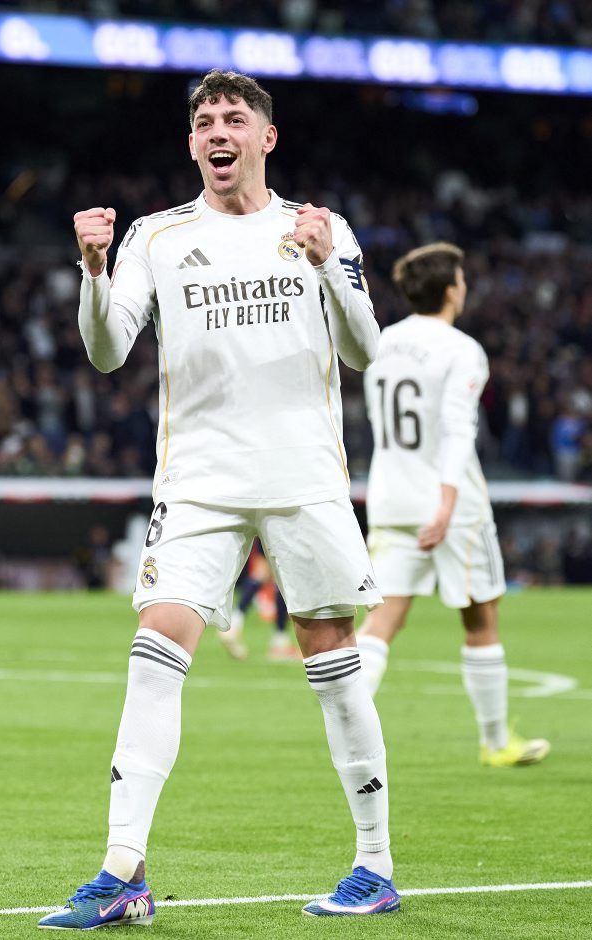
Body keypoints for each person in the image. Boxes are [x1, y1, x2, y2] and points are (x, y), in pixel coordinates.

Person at [39, 69, 399, 930]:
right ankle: (122, 870)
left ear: (265, 138)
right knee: (154, 646)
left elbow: (365, 352)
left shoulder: (315, 228)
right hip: (198, 481)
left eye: (233, 118)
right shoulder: (156, 237)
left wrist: (330, 265)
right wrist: (93, 272)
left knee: (330, 658)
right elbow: (106, 351)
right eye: (204, 121)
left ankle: (374, 865)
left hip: (303, 475)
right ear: (192, 143)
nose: (217, 131)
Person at [357, 242, 550, 769]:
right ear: (450, 290)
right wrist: (445, 503)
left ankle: (348, 733)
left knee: (381, 623)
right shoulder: (462, 349)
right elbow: (457, 429)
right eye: (461, 280)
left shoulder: (382, 343)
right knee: (480, 619)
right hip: (450, 504)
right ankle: (495, 742)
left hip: (391, 497)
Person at [220, 538, 301, 661]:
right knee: (283, 578)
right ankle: (279, 643)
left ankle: (234, 623)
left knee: (261, 574)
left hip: (263, 531)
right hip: (282, 532)